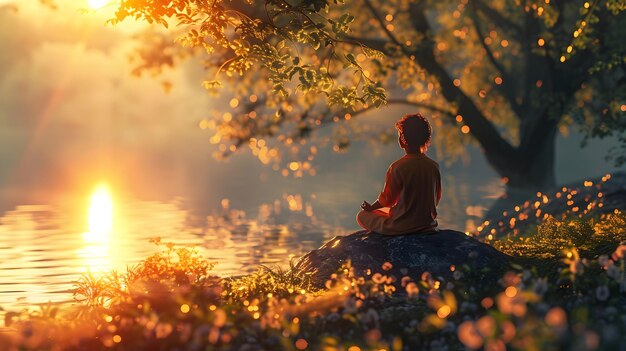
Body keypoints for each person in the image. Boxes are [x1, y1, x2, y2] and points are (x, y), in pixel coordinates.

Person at [356, 113, 442, 235]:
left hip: (402, 227)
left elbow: (387, 200)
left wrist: (371, 208)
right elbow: (436, 199)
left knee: (362, 216)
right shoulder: (434, 166)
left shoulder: (398, 167)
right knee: (387, 212)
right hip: (427, 225)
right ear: (425, 139)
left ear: (402, 139)